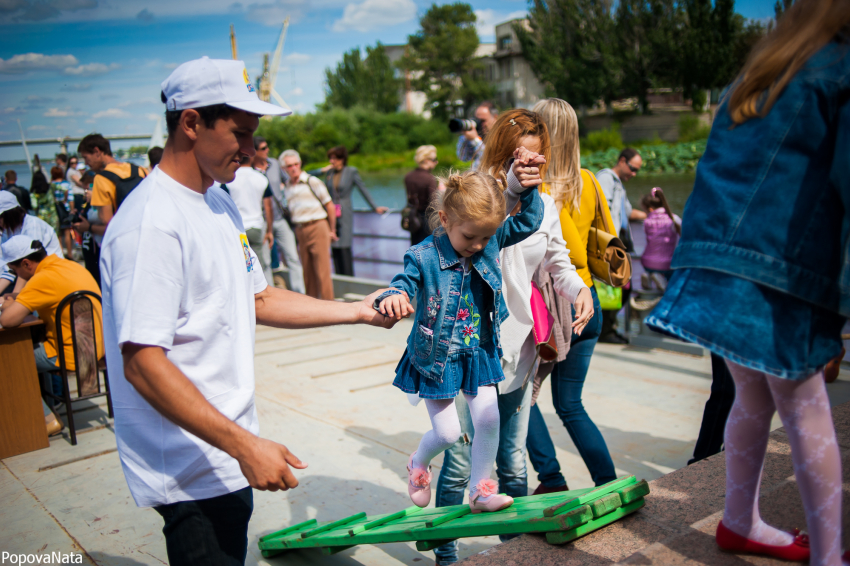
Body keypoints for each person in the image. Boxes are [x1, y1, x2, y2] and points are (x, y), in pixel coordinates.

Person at [99, 56, 401, 566]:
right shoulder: (151, 224)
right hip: (191, 463)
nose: (249, 149)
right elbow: (142, 363)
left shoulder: (216, 201)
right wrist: (243, 445)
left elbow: (258, 297)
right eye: (239, 133)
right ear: (191, 123)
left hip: (228, 447)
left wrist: (355, 311)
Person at [646, 2, 849, 563]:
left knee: (751, 393)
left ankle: (740, 520)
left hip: (715, 256)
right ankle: (831, 556)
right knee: (807, 406)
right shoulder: (840, 67)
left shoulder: (759, 71)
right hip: (780, 267)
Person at [431, 109, 593, 565]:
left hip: (519, 349)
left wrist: (579, 289)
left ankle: (515, 552)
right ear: (502, 151)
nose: (529, 164)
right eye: (521, 156)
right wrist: (514, 188)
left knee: (514, 461)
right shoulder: (470, 195)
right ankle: (448, 556)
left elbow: (557, 261)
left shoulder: (545, 203)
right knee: (460, 461)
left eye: (537, 158)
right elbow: (478, 236)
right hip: (468, 348)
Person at [375, 148, 546, 521]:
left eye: (486, 238)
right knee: (450, 434)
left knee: (488, 421)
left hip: (478, 351)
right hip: (435, 358)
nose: (479, 246)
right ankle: (419, 462)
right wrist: (395, 296)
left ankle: (481, 490)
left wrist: (529, 185)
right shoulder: (422, 255)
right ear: (444, 218)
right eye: (470, 236)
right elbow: (402, 283)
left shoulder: (488, 239)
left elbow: (529, 221)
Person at [523, 98, 620, 494]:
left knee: (517, 398)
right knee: (570, 405)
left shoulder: (535, 187)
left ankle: (551, 479)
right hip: (589, 302)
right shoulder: (590, 180)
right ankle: (608, 483)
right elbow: (608, 239)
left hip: (550, 308)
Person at [0, 236, 104, 408]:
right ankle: (52, 401)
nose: (16, 276)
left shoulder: (41, 279)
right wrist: (18, 300)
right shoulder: (69, 265)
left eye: (13, 271)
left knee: (10, 360)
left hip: (72, 353)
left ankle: (46, 419)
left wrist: (7, 306)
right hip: (96, 347)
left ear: (26, 264)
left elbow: (8, 321)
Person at [312, 146, 388, 277]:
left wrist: (374, 207)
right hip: (331, 212)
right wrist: (321, 170)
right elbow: (307, 175)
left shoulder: (351, 171)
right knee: (334, 243)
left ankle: (348, 277)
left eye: (334, 158)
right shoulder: (329, 173)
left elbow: (363, 189)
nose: (331, 161)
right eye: (330, 158)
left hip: (345, 211)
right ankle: (339, 278)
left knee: (345, 245)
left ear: (342, 159)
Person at [595, 148, 646, 344]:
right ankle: (605, 330)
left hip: (618, 244)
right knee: (615, 288)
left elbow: (628, 212)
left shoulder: (619, 186)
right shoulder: (606, 178)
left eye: (637, 171)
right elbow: (601, 208)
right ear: (622, 161)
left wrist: (650, 216)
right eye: (632, 168)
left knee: (621, 287)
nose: (634, 174)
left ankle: (607, 328)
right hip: (609, 243)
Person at [281, 149, 336, 300]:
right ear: (284, 169)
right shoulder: (287, 186)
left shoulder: (312, 181)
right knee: (307, 271)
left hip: (317, 225)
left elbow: (330, 205)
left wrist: (332, 229)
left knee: (322, 270)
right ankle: (311, 304)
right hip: (300, 229)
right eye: (289, 166)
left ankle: (328, 306)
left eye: (296, 164)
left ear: (300, 164)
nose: (293, 168)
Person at [252, 137, 304, 293]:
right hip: (262, 222)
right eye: (263, 148)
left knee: (293, 258)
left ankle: (300, 293)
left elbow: (288, 181)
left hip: (280, 219)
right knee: (265, 262)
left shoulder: (274, 164)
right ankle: (271, 295)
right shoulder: (249, 171)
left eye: (267, 146)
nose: (267, 150)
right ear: (254, 152)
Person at [79, 133, 147, 234]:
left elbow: (109, 226)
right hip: (146, 234)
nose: (86, 163)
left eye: (86, 158)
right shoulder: (141, 170)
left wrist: (88, 228)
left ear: (97, 151)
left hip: (125, 240)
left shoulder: (101, 179)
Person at [0, 192, 63, 296]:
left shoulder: (33, 226)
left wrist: (15, 297)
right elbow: (8, 269)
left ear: (9, 214)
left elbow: (27, 264)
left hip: (50, 277)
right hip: (29, 276)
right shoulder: (8, 230)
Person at [225, 157, 274, 285]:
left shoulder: (230, 179)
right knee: (261, 265)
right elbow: (268, 207)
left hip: (240, 229)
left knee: (246, 266)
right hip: (257, 227)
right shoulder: (261, 178)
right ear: (251, 158)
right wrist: (269, 231)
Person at [639, 187, 681, 290]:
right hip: (667, 264)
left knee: (652, 261)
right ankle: (663, 281)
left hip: (647, 262)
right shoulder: (673, 219)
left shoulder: (647, 221)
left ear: (650, 209)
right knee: (673, 277)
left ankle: (649, 275)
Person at [405, 145, 441, 246]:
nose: (436, 162)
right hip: (427, 222)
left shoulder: (408, 176)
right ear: (425, 160)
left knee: (415, 249)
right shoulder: (430, 179)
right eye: (434, 159)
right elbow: (434, 204)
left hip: (413, 219)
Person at [71, 171, 102, 286]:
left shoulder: (100, 203)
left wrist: (88, 227)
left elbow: (106, 222)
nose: (85, 193)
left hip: (96, 248)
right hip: (88, 246)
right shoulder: (87, 202)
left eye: (87, 189)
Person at [456, 101, 498, 171]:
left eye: (483, 121)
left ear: (495, 117)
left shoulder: (501, 136)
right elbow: (463, 157)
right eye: (477, 120)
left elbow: (488, 159)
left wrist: (475, 140)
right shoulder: (479, 135)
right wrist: (465, 136)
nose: (479, 124)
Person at [49, 166, 74, 258]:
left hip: (55, 211)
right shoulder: (66, 184)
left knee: (58, 234)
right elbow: (71, 198)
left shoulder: (51, 185)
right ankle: (70, 254)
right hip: (65, 209)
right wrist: (72, 210)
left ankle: (61, 255)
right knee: (67, 233)